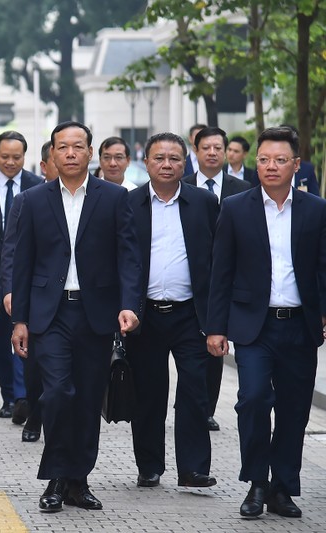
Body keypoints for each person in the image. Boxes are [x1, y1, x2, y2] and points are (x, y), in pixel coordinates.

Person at [11, 121, 141, 512]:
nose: (70, 153)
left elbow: (129, 257)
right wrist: (20, 319)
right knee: (57, 394)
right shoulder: (33, 200)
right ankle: (55, 478)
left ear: (90, 153)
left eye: (78, 146)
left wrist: (129, 303)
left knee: (86, 398)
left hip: (95, 313)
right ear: (51, 154)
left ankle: (78, 481)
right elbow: (23, 261)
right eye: (62, 147)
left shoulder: (115, 198)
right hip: (49, 315)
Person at [206, 126, 326, 518]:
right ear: (255, 163)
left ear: (295, 165)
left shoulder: (315, 209)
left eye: (279, 160)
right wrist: (216, 327)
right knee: (253, 400)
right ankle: (257, 482)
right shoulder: (237, 207)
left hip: (300, 326)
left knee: (294, 410)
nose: (270, 166)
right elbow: (221, 272)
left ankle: (282, 488)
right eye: (263, 159)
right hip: (254, 327)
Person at [125, 132, 219, 490]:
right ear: (146, 161)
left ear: (186, 163)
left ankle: (193, 469)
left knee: (196, 392)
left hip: (191, 315)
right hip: (143, 315)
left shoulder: (204, 203)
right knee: (148, 393)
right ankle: (149, 466)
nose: (167, 164)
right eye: (159, 158)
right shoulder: (129, 203)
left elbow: (217, 260)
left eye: (175, 159)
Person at [182, 126, 251, 431]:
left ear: (226, 153)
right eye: (205, 148)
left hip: (226, 283)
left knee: (215, 346)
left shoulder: (244, 189)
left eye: (217, 148)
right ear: (195, 152)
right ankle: (188, 404)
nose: (212, 153)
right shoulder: (180, 186)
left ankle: (206, 407)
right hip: (188, 282)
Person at [0, 131, 42, 421]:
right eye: (5, 157)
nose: (11, 162)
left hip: (27, 273)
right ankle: (9, 397)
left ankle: (24, 396)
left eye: (17, 157)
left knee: (26, 336)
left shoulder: (38, 186)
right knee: (0, 338)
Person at [0, 139, 59, 443]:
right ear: (47, 164)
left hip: (79, 301)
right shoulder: (28, 199)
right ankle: (34, 414)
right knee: (35, 366)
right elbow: (13, 250)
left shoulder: (99, 197)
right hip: (39, 299)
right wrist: (12, 290)